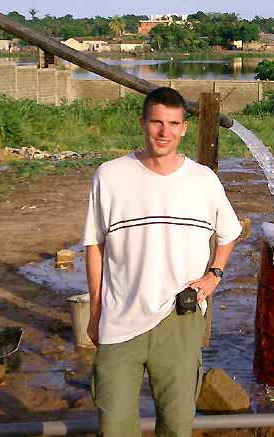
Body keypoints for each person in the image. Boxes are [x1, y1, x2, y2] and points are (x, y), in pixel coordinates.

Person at [82, 87, 242, 437]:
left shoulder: (203, 180)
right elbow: (94, 246)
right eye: (156, 122)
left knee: (176, 426)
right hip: (119, 318)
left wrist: (214, 275)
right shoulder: (110, 176)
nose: (164, 132)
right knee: (113, 425)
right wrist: (95, 313)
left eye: (173, 123)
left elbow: (230, 232)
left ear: (184, 128)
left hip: (179, 321)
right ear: (143, 123)